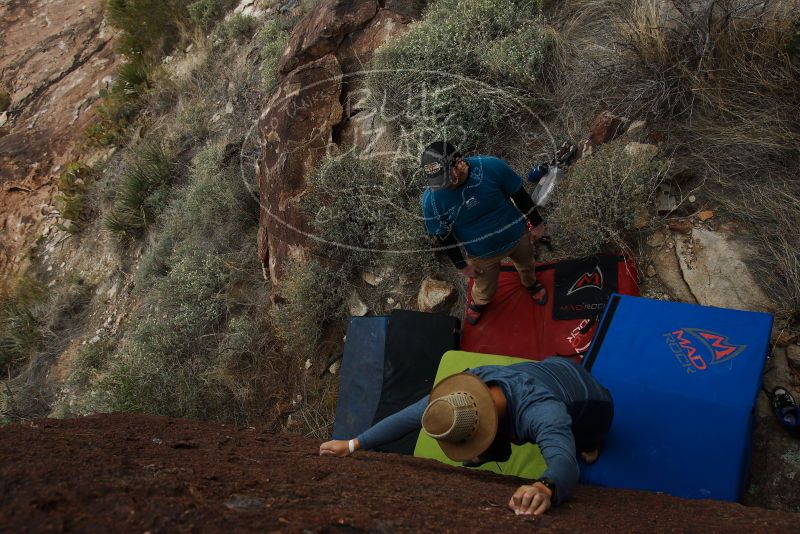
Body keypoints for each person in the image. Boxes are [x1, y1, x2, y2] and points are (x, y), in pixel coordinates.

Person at [319, 358, 614, 516]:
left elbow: (564, 460)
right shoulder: (460, 395)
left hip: (591, 404)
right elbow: (408, 417)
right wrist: (353, 444)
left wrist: (545, 487)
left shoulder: (542, 413)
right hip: (554, 365)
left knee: (585, 446)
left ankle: (592, 442)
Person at [420, 141, 547, 325]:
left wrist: (537, 223)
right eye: (439, 181)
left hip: (516, 235)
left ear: (459, 161)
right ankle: (480, 302)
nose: (445, 185)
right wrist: (462, 266)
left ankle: (531, 284)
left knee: (527, 265)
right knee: (484, 285)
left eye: (448, 177)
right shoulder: (431, 201)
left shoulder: (490, 166)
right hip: (481, 253)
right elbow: (443, 236)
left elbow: (518, 194)